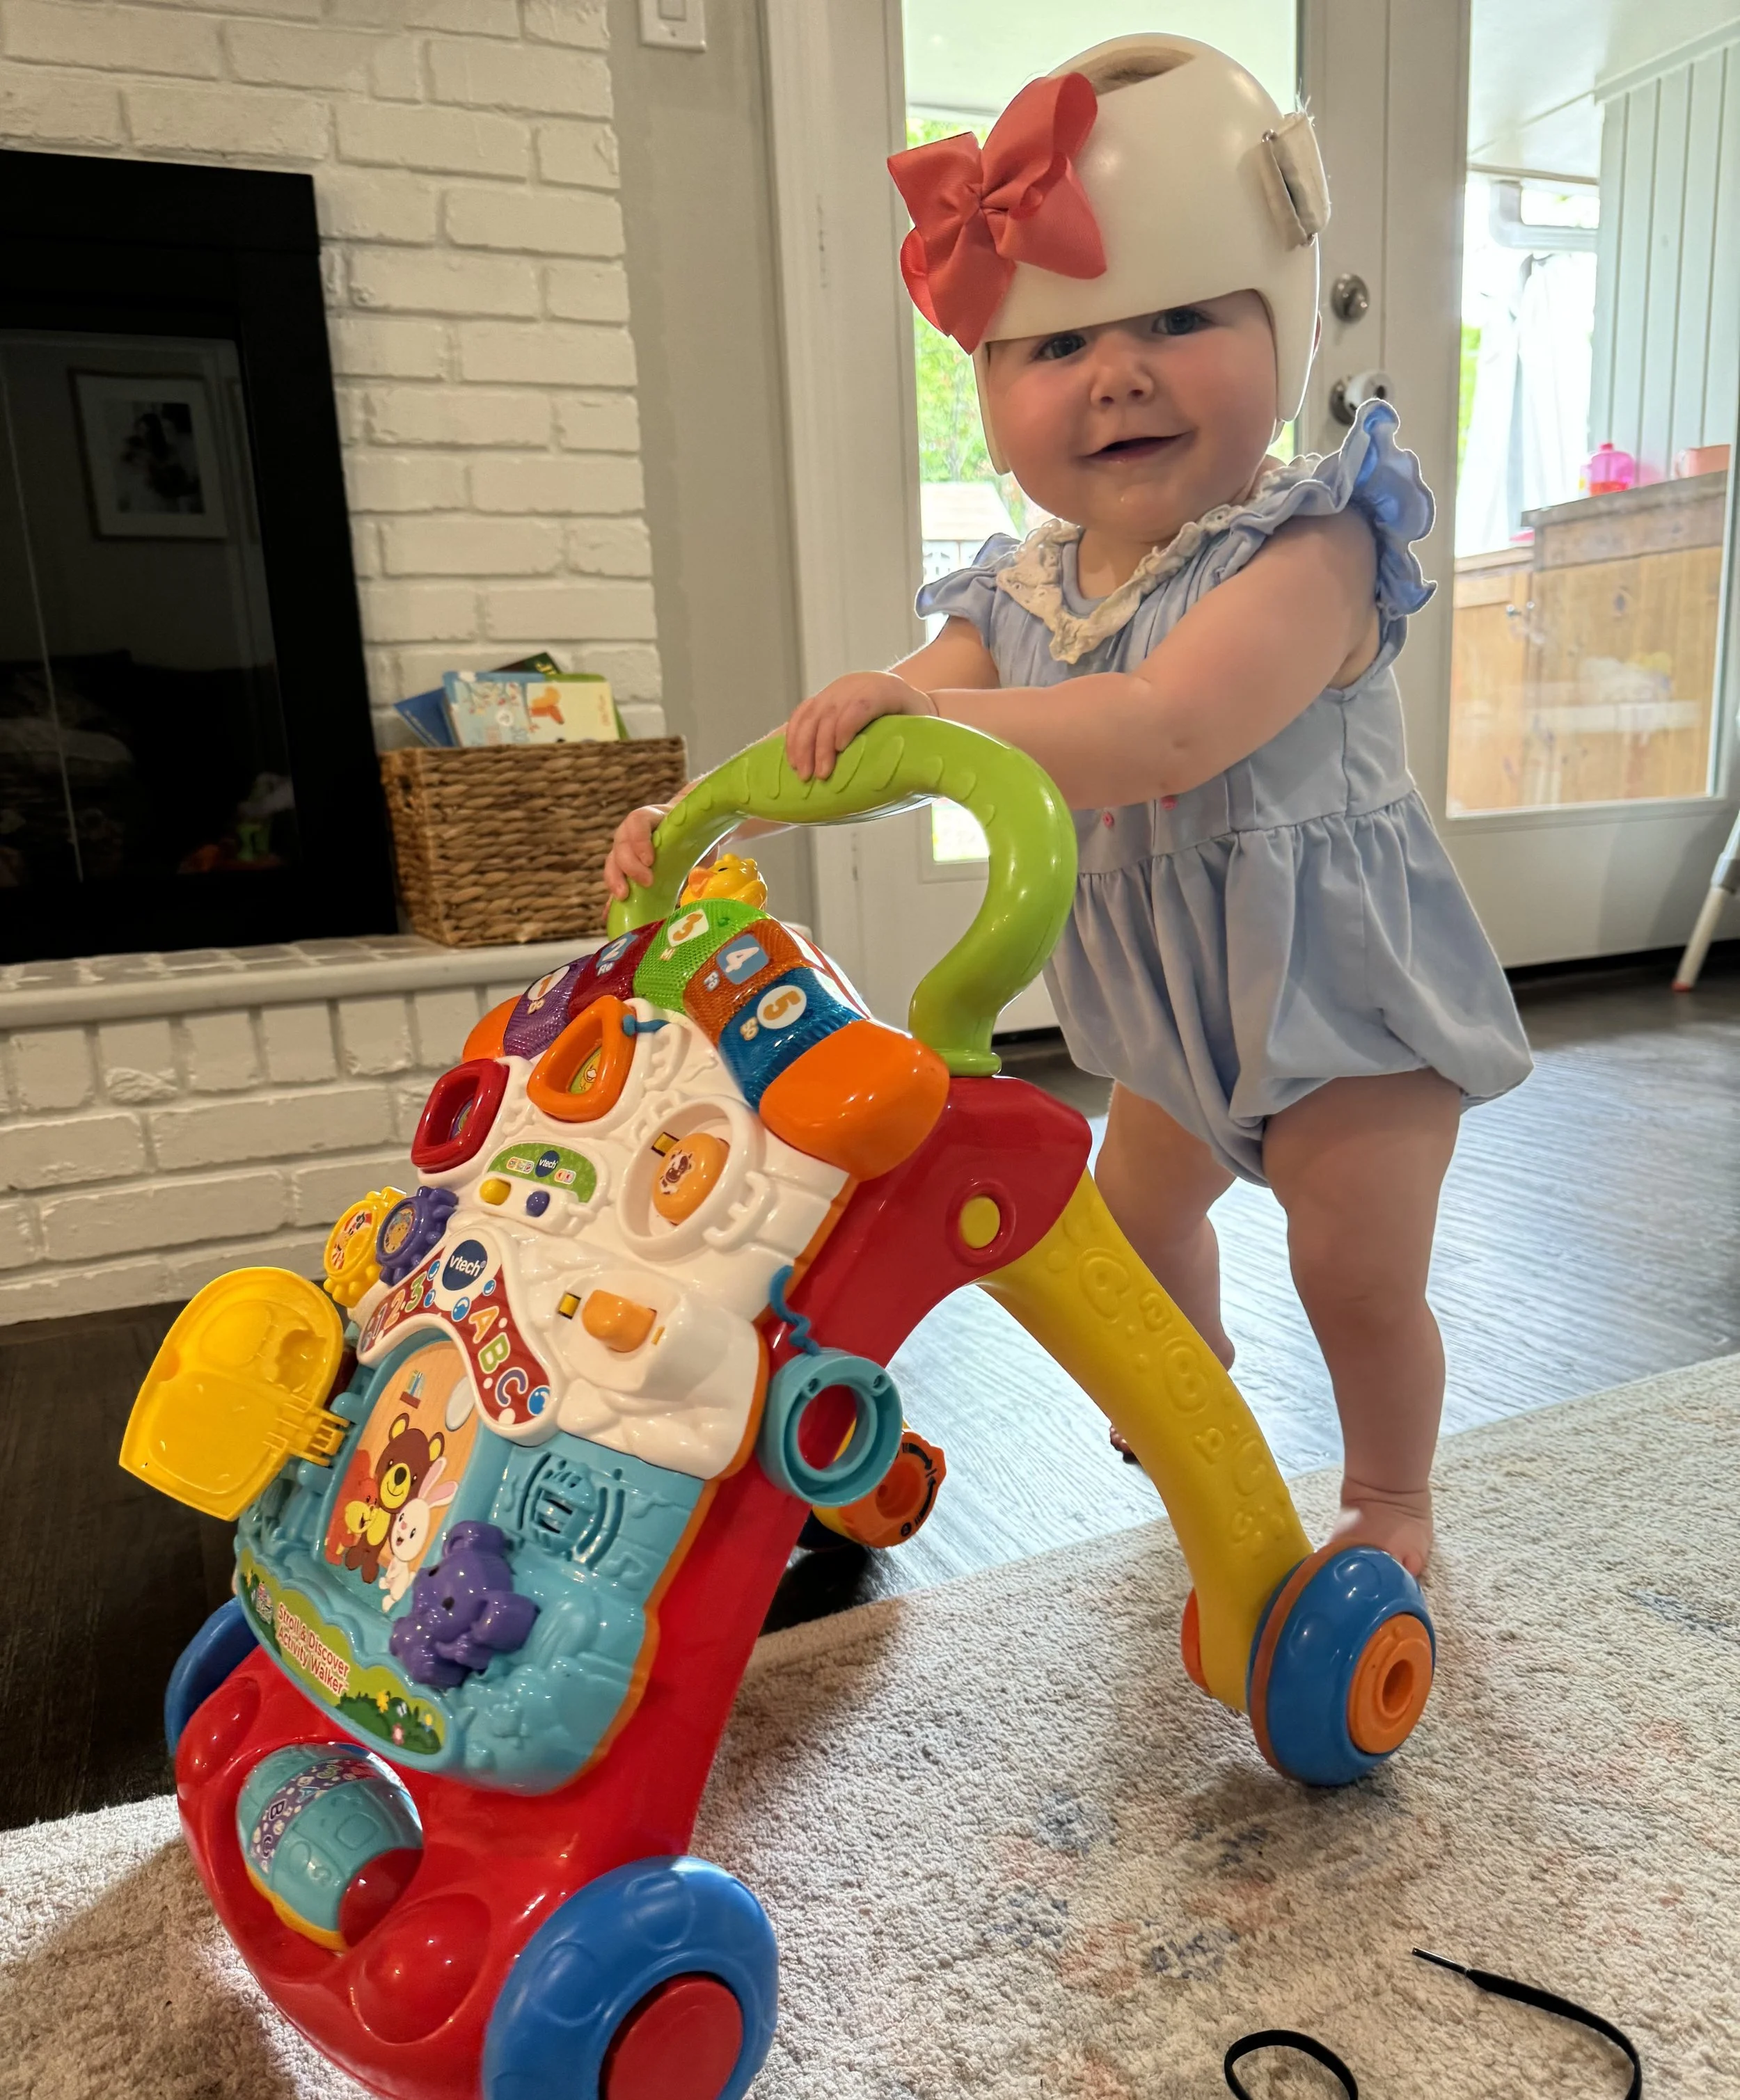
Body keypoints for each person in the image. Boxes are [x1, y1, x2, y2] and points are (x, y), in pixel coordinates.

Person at [606, 35, 1533, 1575]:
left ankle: (1389, 1498)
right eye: (1057, 345)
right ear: (987, 388)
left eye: (1178, 319)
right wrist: (714, 810)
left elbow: (1163, 732)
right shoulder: (1018, 592)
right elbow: (871, 739)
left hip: (1342, 991)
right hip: (1171, 1013)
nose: (1118, 373)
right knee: (1129, 1229)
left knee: (1352, 1272)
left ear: (1283, 320)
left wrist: (928, 714)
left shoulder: (1312, 546)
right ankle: (1193, 1398)